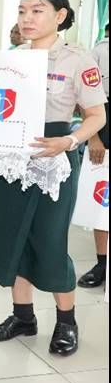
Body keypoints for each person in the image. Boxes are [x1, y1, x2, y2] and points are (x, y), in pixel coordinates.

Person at [0, 0, 106, 356]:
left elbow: (97, 115)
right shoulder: (11, 58)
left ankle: (66, 322)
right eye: (22, 11)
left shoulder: (77, 60)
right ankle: (23, 316)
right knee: (11, 236)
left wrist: (70, 141)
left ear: (60, 15)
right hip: (12, 157)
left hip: (55, 157)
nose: (27, 18)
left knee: (49, 240)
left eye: (37, 11)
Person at [77, 22, 109, 288]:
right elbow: (85, 100)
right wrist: (93, 137)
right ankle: (102, 263)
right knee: (103, 198)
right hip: (104, 125)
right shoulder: (99, 51)